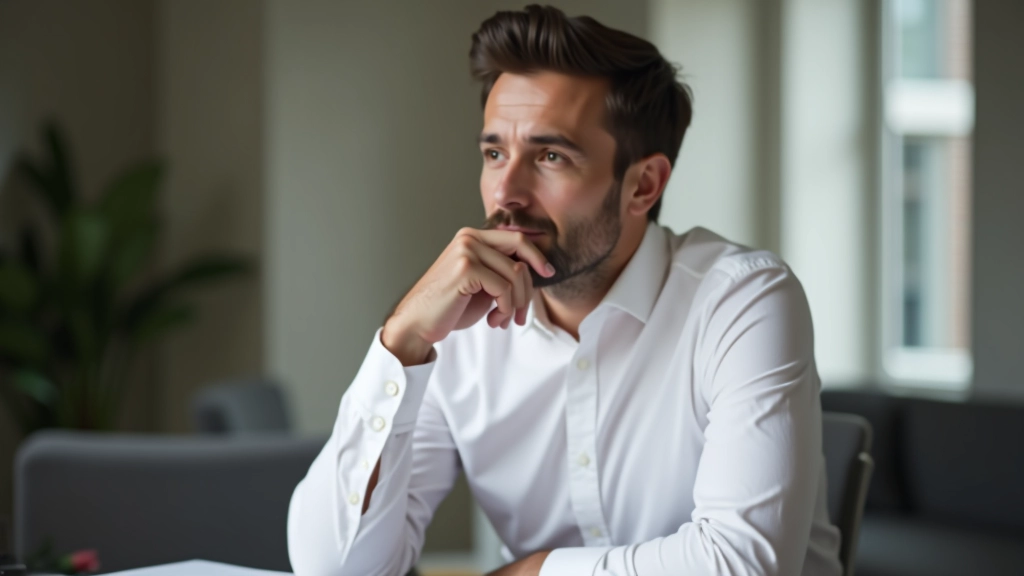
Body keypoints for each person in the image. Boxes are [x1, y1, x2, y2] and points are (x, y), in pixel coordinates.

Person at [287, 5, 842, 576]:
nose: (505, 192)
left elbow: (742, 565)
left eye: (550, 156)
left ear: (643, 185)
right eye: (494, 153)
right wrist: (401, 342)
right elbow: (331, 570)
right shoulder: (457, 329)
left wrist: (531, 572)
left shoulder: (743, 301)